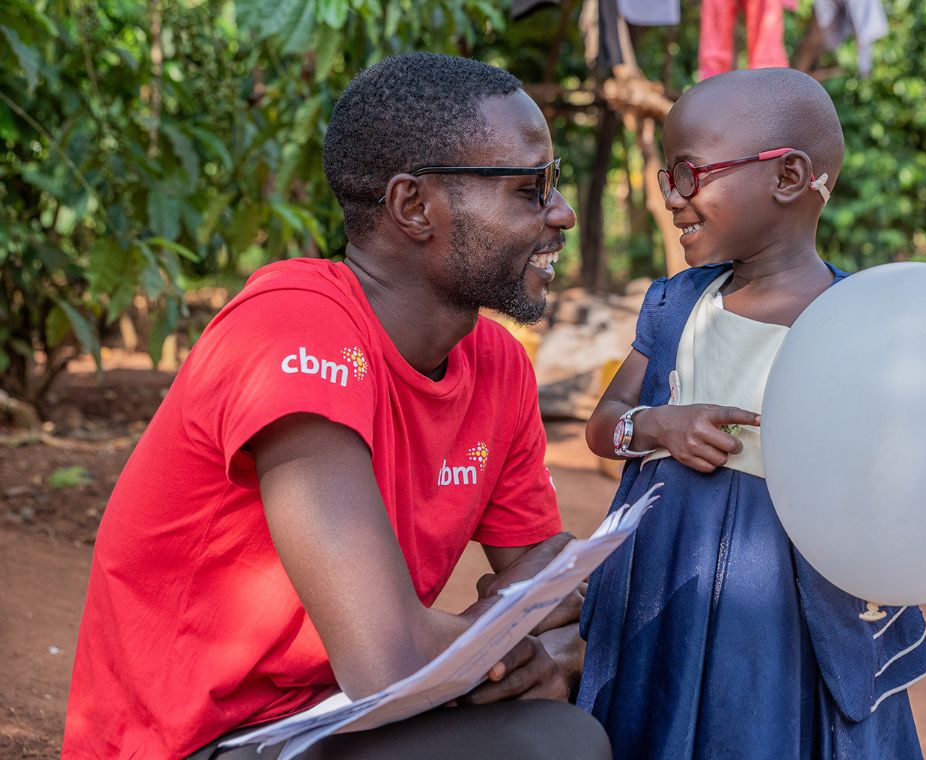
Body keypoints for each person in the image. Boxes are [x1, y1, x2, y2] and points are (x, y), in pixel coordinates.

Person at [62, 53, 612, 760]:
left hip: (337, 718)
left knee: (599, 698)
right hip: (197, 741)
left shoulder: (496, 364)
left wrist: (534, 636)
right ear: (414, 206)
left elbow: (549, 581)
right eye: (529, 188)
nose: (561, 213)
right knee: (553, 744)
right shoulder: (293, 327)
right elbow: (392, 657)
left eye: (554, 183)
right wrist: (509, 637)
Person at [576, 67, 926, 759]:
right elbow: (603, 424)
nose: (671, 197)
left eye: (688, 173)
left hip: (803, 613)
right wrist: (653, 426)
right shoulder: (674, 308)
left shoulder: (875, 328)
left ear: (788, 177)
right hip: (666, 587)